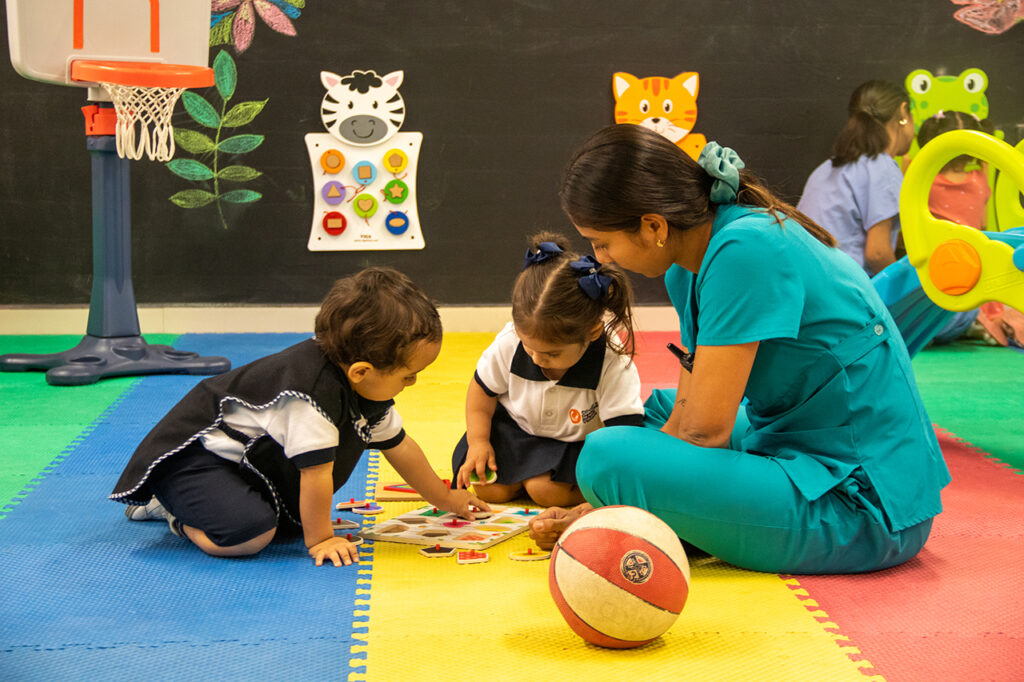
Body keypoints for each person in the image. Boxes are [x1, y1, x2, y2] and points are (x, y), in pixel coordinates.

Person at [532, 123, 950, 575]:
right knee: (653, 412)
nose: (602, 258)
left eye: (603, 242)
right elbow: (684, 416)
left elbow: (703, 432)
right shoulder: (689, 266)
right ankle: (678, 510)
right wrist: (627, 494)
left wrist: (609, 506)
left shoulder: (742, 250)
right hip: (798, 443)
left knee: (605, 457)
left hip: (861, 508)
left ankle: (671, 512)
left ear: (653, 226)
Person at [112, 267, 488, 567]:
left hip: (244, 466)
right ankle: (173, 510)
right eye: (408, 376)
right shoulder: (308, 395)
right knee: (249, 537)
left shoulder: (365, 387)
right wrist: (321, 539)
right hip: (195, 462)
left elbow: (401, 447)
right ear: (360, 371)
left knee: (280, 522)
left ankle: (200, 506)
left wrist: (446, 499)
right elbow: (316, 474)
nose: (415, 382)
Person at [451, 231, 644, 508]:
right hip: (516, 430)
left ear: (592, 332)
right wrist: (479, 441)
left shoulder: (612, 361)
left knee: (546, 492)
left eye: (552, 354)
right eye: (530, 348)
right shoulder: (511, 342)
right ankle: (522, 475)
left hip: (577, 443)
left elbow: (623, 435)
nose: (538, 359)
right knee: (489, 489)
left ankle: (547, 482)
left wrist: (603, 495)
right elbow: (482, 392)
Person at [797, 80, 915, 276]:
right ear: (903, 113)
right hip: (843, 285)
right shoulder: (882, 166)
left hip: (808, 280)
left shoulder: (828, 167)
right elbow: (877, 253)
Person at [915, 110, 992, 343]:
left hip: (940, 266)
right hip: (976, 263)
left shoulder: (925, 179)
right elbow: (984, 223)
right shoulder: (980, 178)